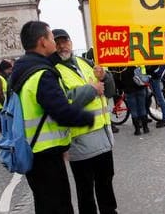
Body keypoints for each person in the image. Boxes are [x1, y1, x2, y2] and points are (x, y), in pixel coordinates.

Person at [11, 21, 94, 214]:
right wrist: (87, 118)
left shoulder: (22, 69)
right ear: (42, 41)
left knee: (46, 206)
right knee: (60, 207)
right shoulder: (42, 74)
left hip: (34, 150)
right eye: (50, 38)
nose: (55, 43)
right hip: (46, 156)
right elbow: (62, 111)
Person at [51, 29, 118, 214]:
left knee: (106, 182)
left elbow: (110, 91)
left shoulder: (85, 62)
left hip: (103, 136)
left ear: (71, 42)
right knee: (85, 189)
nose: (62, 45)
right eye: (57, 42)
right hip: (79, 141)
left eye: (65, 41)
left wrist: (106, 77)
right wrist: (92, 89)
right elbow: (64, 100)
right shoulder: (53, 70)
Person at [113, 66, 149, 135]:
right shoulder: (138, 66)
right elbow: (145, 76)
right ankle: (145, 128)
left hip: (129, 91)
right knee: (142, 108)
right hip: (141, 89)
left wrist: (122, 88)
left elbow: (117, 81)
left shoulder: (122, 69)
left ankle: (137, 130)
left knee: (133, 110)